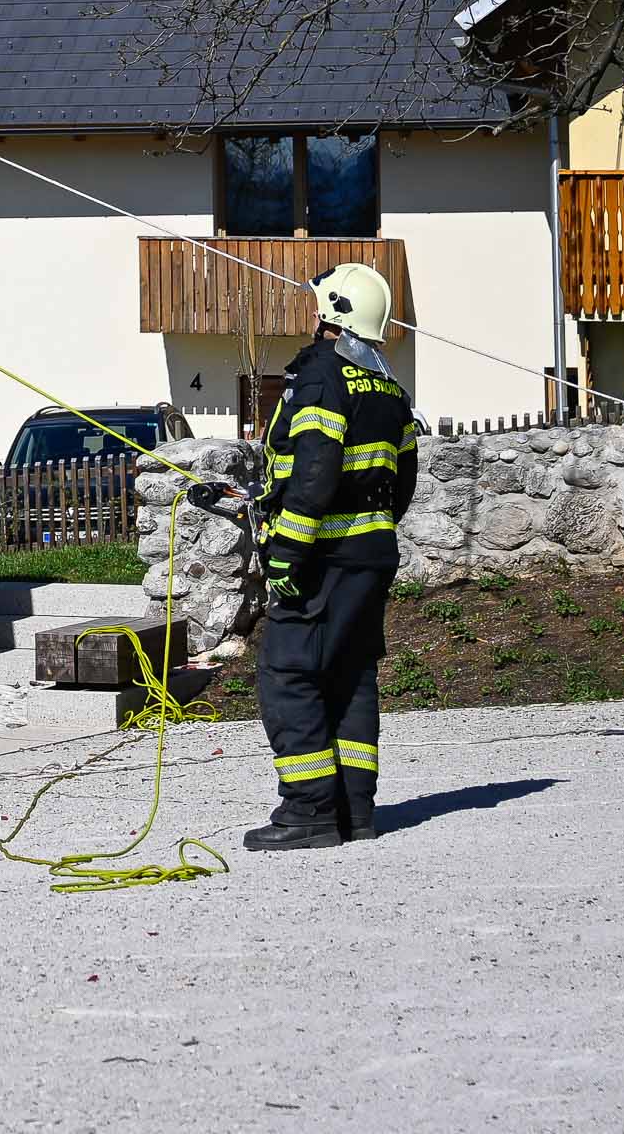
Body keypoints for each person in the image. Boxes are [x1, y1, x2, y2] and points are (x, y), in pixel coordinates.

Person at [240, 262, 416, 850]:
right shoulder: (391, 388)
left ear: (332, 318)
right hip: (371, 554)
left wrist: (287, 550)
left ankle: (309, 812)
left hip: (323, 557)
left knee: (288, 674)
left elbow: (315, 473)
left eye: (318, 310)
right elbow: (402, 480)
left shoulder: (320, 375)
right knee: (350, 672)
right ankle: (355, 812)